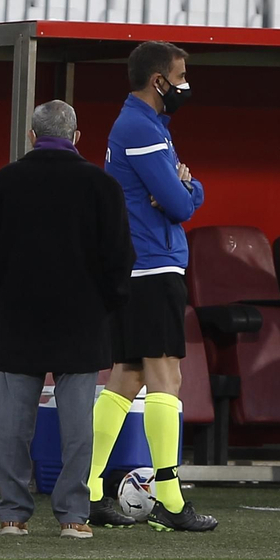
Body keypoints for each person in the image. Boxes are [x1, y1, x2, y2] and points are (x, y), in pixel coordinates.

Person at [0, 101, 134, 538]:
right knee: (78, 427)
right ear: (76, 137)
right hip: (82, 319)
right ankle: (73, 516)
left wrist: (6, 292)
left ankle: (12, 514)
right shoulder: (102, 186)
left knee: (12, 426)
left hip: (19, 317)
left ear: (32, 136)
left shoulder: (1, 183)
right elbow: (121, 258)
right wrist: (105, 304)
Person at [86, 42, 219, 532]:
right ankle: (169, 500)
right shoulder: (141, 128)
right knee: (167, 378)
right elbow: (180, 204)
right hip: (153, 268)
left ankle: (88, 487)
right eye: (180, 77)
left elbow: (180, 194)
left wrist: (185, 188)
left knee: (127, 376)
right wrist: (186, 189)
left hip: (138, 266)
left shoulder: (143, 124)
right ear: (158, 80)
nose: (185, 86)